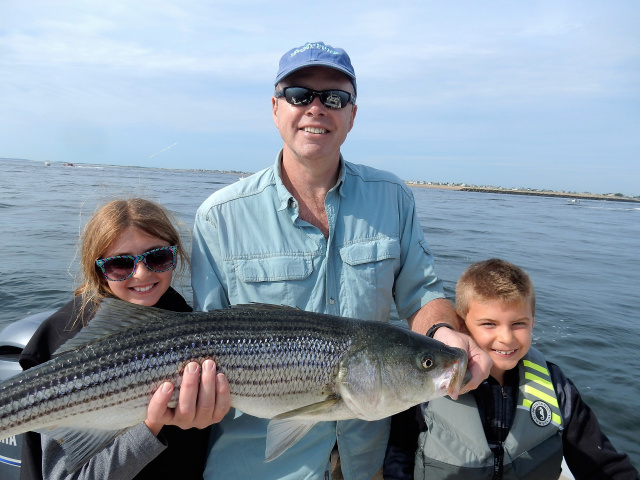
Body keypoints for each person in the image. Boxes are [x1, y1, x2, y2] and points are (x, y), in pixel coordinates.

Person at [191, 41, 491, 480]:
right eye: (298, 95)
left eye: (335, 98)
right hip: (255, 465)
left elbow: (421, 295)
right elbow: (204, 338)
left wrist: (443, 333)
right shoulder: (218, 217)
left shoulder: (393, 197)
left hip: (365, 460)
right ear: (276, 108)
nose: (316, 108)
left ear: (352, 114)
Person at [19, 198, 231, 480]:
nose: (142, 273)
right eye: (120, 264)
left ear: (175, 256)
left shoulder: (188, 321)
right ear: (99, 271)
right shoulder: (66, 341)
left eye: (158, 257)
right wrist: (150, 426)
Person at [383, 258, 640, 479]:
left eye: (518, 323)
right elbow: (399, 455)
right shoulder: (429, 382)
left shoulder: (557, 387)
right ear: (460, 325)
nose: (506, 338)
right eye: (489, 324)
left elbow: (603, 464)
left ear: (533, 322)